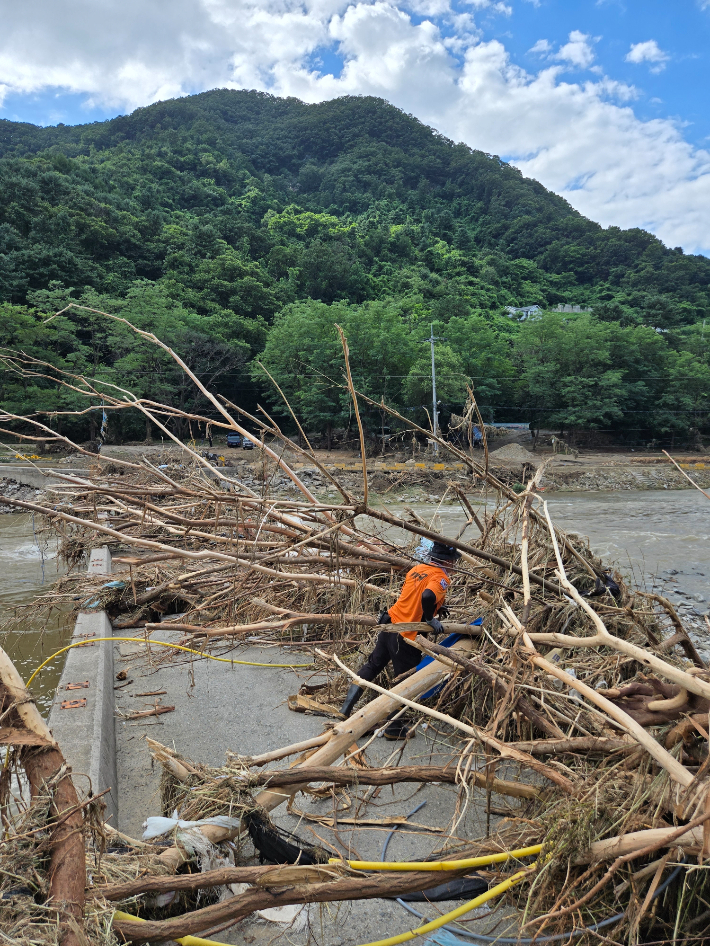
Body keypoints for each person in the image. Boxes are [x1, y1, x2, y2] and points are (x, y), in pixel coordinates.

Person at [339, 542, 461, 738]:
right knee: (405, 680)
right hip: (406, 634)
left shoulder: (417, 569)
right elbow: (428, 595)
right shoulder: (441, 577)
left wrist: (438, 608)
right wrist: (430, 619)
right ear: (447, 561)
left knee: (373, 665)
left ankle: (345, 709)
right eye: (453, 562)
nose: (454, 565)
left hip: (390, 623)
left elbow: (414, 596)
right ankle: (394, 728)